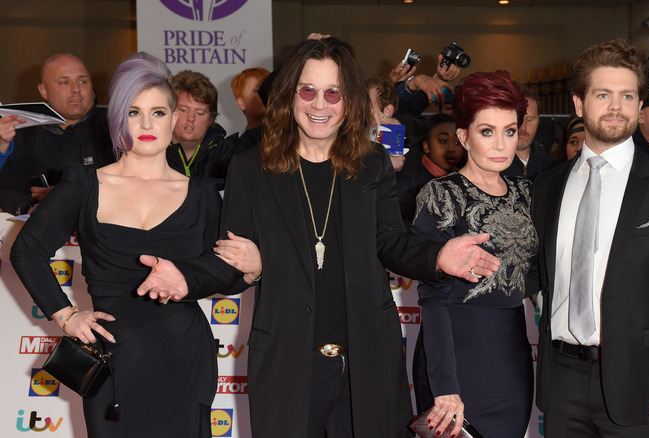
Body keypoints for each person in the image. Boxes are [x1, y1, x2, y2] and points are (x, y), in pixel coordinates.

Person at [134, 37, 500, 438]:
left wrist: (437, 257)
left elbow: (390, 241)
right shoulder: (251, 169)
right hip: (288, 365)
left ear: (350, 101)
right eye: (307, 90)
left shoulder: (372, 162)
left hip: (367, 363)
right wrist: (188, 278)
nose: (320, 104)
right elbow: (231, 261)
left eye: (333, 92)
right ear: (290, 96)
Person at [10, 52, 242, 437]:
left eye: (158, 112)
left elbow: (229, 276)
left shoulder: (203, 194)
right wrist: (65, 316)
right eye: (134, 112)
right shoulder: (84, 184)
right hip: (113, 364)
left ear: (173, 121)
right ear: (118, 119)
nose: (147, 123)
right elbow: (27, 251)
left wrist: (250, 265)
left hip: (184, 358)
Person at [532, 39, 649, 438]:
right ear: (579, 104)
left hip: (643, 385)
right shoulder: (547, 186)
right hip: (561, 381)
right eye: (603, 94)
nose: (616, 106)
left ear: (638, 103)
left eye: (627, 95)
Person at [411, 71, 537, 437]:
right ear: (464, 136)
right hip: (455, 359)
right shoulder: (439, 195)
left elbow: (539, 270)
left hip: (512, 359)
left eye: (509, 131)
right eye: (487, 131)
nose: (500, 144)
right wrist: (445, 385)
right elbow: (433, 298)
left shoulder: (527, 194)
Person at [0, 53, 114, 214]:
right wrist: (32, 208)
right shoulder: (22, 133)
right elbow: (8, 188)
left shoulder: (114, 132)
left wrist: (66, 195)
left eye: (83, 81)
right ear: (44, 91)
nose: (76, 89)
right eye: (64, 82)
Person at [396, 113, 463, 229]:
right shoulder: (406, 185)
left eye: (457, 142)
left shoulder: (466, 178)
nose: (452, 148)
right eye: (443, 141)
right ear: (426, 146)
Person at [167, 70, 234, 183]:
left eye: (200, 113)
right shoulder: (153, 151)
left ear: (211, 119)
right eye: (183, 110)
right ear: (170, 113)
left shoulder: (228, 155)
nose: (191, 118)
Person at [502, 85, 555, 180]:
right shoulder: (493, 166)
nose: (523, 127)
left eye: (530, 119)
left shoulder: (551, 166)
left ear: (539, 120)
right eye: (518, 119)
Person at [227, 67, 271, 151]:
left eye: (270, 89)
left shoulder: (293, 137)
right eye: (258, 90)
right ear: (241, 103)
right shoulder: (229, 147)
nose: (267, 94)